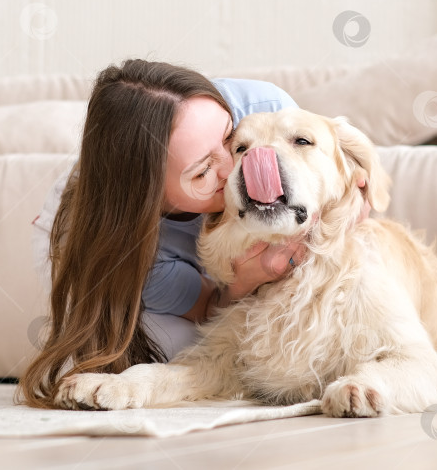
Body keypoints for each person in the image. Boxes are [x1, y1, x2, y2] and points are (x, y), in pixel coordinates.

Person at [18, 59, 308, 408]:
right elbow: (210, 307)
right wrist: (246, 281)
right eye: (203, 173)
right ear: (155, 197)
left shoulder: (264, 109)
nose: (236, 169)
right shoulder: (141, 258)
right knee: (180, 349)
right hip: (85, 235)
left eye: (230, 138)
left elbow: (342, 182)